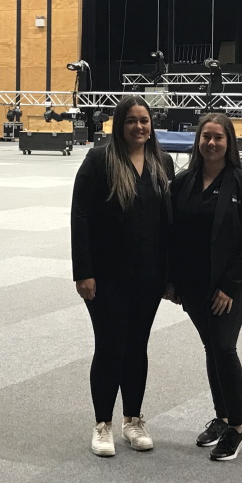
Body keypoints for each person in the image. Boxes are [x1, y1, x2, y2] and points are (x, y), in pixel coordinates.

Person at [71, 95, 175, 457]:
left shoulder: (162, 162)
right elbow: (80, 216)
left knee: (137, 346)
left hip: (148, 275)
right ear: (119, 124)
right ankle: (103, 424)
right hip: (106, 276)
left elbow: (169, 223)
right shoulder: (99, 160)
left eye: (144, 120)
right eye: (131, 120)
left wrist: (170, 274)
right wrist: (83, 272)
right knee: (110, 345)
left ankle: (133, 419)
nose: (139, 127)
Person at [167, 113, 242, 462]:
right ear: (198, 141)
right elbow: (172, 234)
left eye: (218, 137)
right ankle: (221, 419)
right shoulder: (182, 182)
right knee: (211, 347)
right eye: (205, 136)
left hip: (227, 287)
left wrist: (231, 286)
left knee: (224, 347)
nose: (211, 143)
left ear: (229, 142)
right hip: (192, 286)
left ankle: (236, 427)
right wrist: (171, 280)